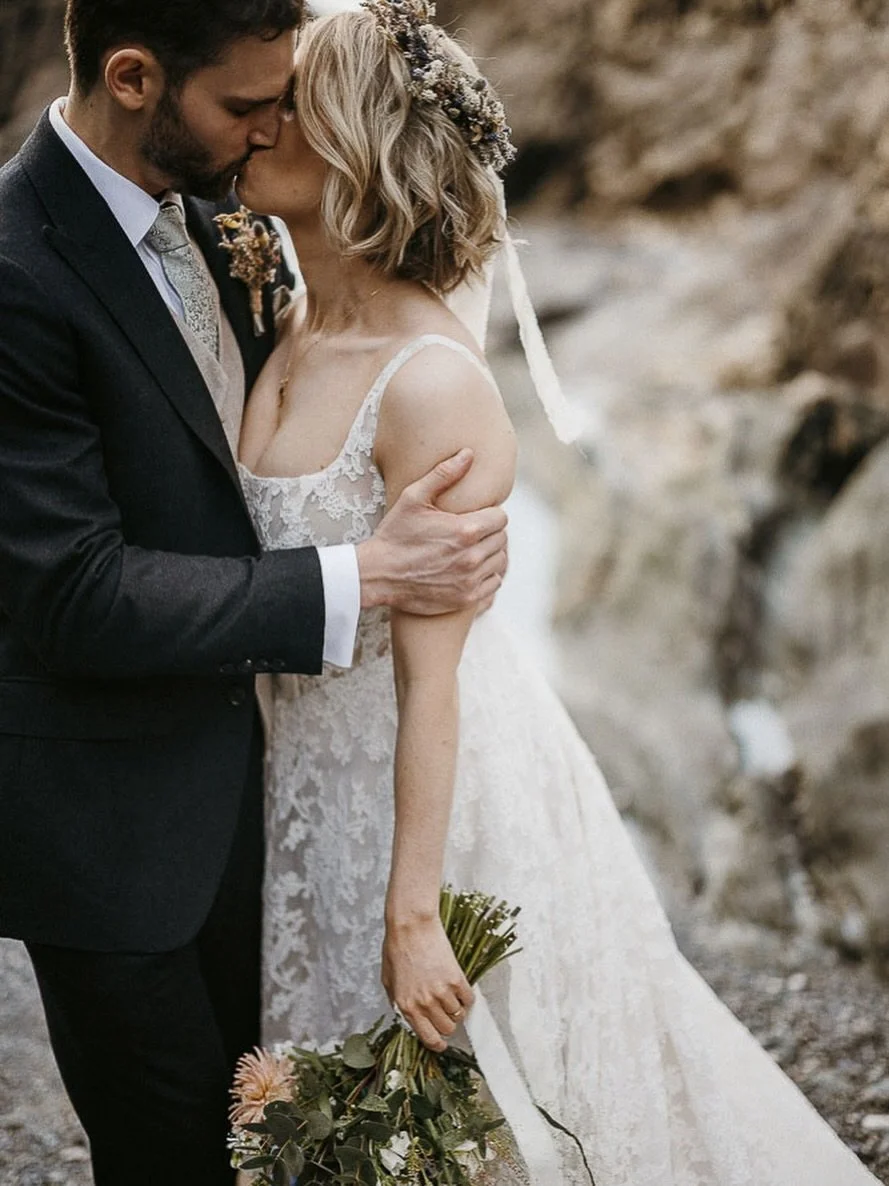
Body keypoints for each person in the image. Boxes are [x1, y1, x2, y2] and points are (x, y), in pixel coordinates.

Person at [234, 4, 882, 1184]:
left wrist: (412, 910)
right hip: (289, 778)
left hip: (419, 798)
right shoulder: (278, 321)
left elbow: (435, 688)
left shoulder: (429, 384)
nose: (257, 120)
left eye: (290, 103)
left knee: (468, 1113)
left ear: (352, 140)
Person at [0, 2, 509, 1183]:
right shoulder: (17, 270)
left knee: (293, 1144)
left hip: (275, 809)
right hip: (112, 831)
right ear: (134, 79)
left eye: (286, 101)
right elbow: (73, 593)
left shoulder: (230, 205)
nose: (272, 126)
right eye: (245, 104)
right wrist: (361, 574)